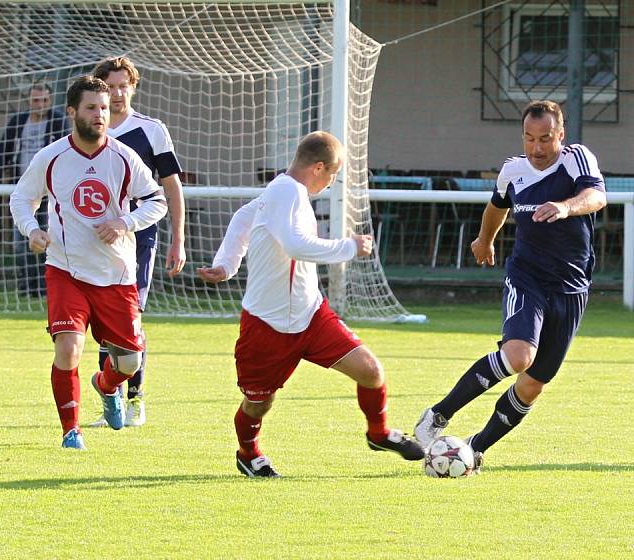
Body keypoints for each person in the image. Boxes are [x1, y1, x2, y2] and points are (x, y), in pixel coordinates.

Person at [198, 131, 424, 477]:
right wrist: (349, 247)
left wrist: (226, 264)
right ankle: (248, 453)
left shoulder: (283, 193)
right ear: (319, 167)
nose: (332, 182)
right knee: (259, 402)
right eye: (333, 174)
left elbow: (245, 216)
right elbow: (295, 245)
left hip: (311, 314)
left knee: (370, 370)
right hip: (266, 323)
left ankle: (378, 434)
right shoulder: (286, 191)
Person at [414, 100, 607, 471]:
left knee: (532, 384)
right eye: (529, 138)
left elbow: (596, 196)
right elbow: (496, 206)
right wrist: (485, 240)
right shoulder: (512, 171)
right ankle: (437, 415)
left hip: (571, 288)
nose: (536, 148)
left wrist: (566, 207)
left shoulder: (576, 159)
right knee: (519, 356)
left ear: (561, 136)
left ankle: (474, 448)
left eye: (546, 139)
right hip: (526, 276)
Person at [9, 75, 167, 450]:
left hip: (116, 274)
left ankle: (105, 385)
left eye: (105, 108)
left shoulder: (124, 157)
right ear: (72, 113)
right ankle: (71, 430)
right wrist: (32, 230)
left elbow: (156, 201)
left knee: (128, 363)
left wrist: (124, 222)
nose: (101, 114)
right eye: (92, 108)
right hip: (67, 270)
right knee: (68, 349)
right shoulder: (51, 157)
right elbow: (21, 199)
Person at [88, 56, 186, 428]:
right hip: (96, 240)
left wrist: (178, 239)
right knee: (102, 322)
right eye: (109, 86)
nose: (116, 94)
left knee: (129, 318)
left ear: (133, 86)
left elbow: (171, 187)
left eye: (122, 85)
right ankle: (109, 402)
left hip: (138, 236)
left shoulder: (151, 130)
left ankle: (136, 401)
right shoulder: (90, 129)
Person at [0, 83, 70, 297]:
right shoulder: (19, 121)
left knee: (49, 240)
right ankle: (26, 288)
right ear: (29, 102)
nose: (40, 105)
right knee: (23, 241)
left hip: (51, 192)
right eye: (36, 100)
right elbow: (4, 150)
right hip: (25, 191)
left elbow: (66, 153)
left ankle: (45, 288)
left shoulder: (58, 121)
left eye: (44, 100)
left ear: (50, 100)